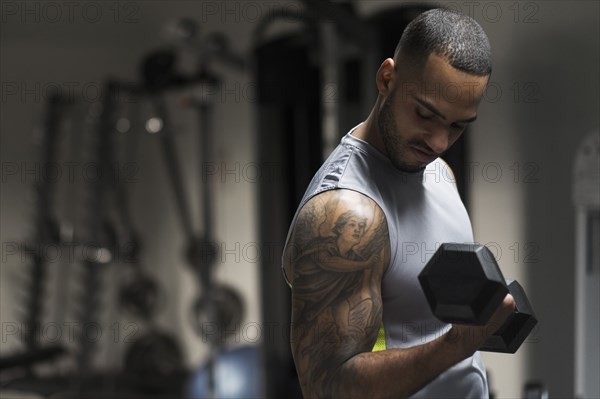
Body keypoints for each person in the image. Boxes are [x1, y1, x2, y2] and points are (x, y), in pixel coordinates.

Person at [281, 8, 516, 399]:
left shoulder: (439, 173)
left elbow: (432, 325)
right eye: (425, 114)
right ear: (386, 78)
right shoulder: (346, 213)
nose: (439, 142)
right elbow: (329, 388)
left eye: (457, 125)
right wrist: (458, 344)